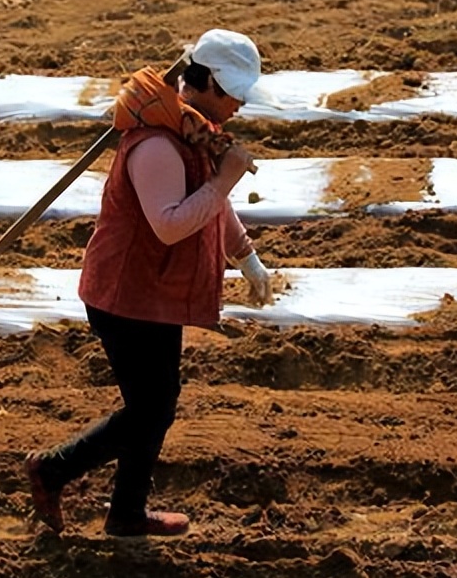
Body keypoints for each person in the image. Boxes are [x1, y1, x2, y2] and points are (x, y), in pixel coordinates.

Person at [26, 29, 275, 537]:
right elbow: (170, 223)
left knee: (155, 405)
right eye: (232, 95)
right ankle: (54, 469)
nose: (237, 106)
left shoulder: (191, 130)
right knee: (151, 409)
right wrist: (224, 178)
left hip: (156, 293)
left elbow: (212, 204)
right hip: (127, 295)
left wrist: (246, 256)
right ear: (203, 82)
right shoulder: (157, 145)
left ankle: (125, 514)